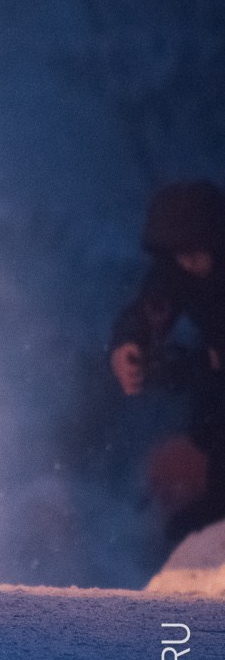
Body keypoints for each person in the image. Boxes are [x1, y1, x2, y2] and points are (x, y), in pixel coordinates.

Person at [110, 180, 225, 549]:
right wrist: (128, 344)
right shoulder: (178, 270)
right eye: (180, 254)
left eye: (196, 250)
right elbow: (150, 310)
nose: (189, 261)